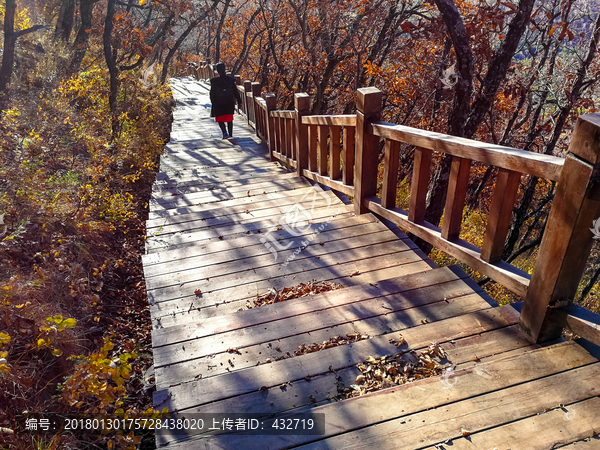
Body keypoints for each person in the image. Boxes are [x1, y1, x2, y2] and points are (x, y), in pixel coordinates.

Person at [209, 62, 242, 139]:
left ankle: (224, 133)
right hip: (229, 102)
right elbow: (236, 92)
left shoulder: (214, 81)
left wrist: (213, 102)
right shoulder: (230, 80)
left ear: (217, 71)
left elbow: (212, 93)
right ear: (224, 69)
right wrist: (239, 102)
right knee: (229, 118)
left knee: (220, 118)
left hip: (218, 103)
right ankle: (230, 134)